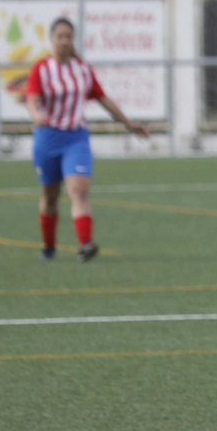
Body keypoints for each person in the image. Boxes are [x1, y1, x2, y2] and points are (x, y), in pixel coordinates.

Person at [25, 18, 150, 261]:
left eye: (68, 36)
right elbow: (32, 98)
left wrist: (128, 123)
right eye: (60, 36)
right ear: (51, 39)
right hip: (48, 138)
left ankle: (85, 244)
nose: (64, 41)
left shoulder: (82, 69)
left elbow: (103, 99)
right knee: (50, 196)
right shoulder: (42, 68)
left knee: (79, 190)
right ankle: (49, 247)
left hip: (76, 138)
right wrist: (35, 114)